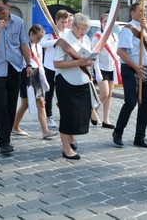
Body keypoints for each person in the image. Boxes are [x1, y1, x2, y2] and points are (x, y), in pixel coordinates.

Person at [0, 0, 32, 155]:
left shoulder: (18, 22)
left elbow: (24, 44)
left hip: (15, 68)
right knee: (1, 105)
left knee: (11, 105)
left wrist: (29, 64)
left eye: (1, 8)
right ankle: (3, 141)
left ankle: (7, 135)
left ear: (8, 6)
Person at [112, 2, 147, 148]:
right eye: (140, 11)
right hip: (130, 68)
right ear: (132, 13)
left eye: (144, 11)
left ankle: (140, 136)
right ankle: (118, 131)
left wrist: (146, 28)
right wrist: (135, 67)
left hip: (145, 68)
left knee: (145, 105)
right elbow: (121, 52)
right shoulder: (128, 29)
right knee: (131, 102)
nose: (143, 14)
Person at [53, 13, 95, 160]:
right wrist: (78, 62)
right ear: (73, 26)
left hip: (82, 81)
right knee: (67, 115)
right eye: (80, 28)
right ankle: (66, 149)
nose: (83, 31)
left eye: (85, 29)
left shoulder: (87, 38)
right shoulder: (64, 40)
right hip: (66, 82)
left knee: (79, 115)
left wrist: (89, 62)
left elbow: (87, 57)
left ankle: (71, 138)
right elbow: (57, 63)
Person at [12, 24, 58, 139]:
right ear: (31, 34)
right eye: (38, 37)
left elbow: (40, 63)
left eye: (41, 38)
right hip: (27, 74)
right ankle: (15, 126)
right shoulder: (24, 45)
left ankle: (45, 130)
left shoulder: (38, 47)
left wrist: (44, 81)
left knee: (40, 102)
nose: (39, 40)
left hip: (36, 74)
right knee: (26, 103)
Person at [39, 9, 70, 129]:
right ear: (56, 21)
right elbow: (41, 43)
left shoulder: (68, 32)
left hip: (62, 66)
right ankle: (48, 115)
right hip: (50, 66)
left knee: (63, 91)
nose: (64, 24)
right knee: (49, 92)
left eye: (66, 22)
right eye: (62, 22)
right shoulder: (50, 31)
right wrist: (57, 40)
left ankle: (64, 113)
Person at [91, 13, 121, 129]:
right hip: (101, 68)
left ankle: (106, 119)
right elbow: (95, 56)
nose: (107, 24)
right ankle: (93, 109)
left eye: (110, 22)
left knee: (109, 95)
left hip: (111, 68)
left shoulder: (115, 36)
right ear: (101, 23)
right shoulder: (97, 37)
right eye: (105, 21)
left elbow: (116, 54)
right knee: (104, 93)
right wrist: (97, 71)